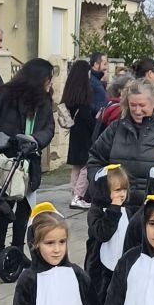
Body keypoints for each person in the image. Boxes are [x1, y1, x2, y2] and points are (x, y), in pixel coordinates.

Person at [0, 58, 57, 255]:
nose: (50, 83)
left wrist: (34, 140)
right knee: (5, 206)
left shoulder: (44, 101)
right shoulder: (6, 94)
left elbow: (49, 128)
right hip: (7, 160)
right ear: (39, 78)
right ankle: (0, 248)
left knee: (25, 208)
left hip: (30, 160)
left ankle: (17, 250)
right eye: (48, 78)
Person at [87, 80, 154, 193]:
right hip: (119, 203)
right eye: (133, 105)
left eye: (142, 105)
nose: (137, 111)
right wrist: (100, 187)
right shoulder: (115, 129)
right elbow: (95, 159)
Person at [84, 163, 132, 305]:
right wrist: (113, 210)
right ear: (105, 191)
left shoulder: (126, 210)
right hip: (101, 265)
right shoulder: (96, 210)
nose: (122, 194)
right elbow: (102, 233)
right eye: (117, 190)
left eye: (124, 189)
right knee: (100, 298)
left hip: (120, 263)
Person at [62, 59, 99, 208]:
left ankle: (74, 195)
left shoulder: (71, 92)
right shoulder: (84, 97)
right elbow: (87, 119)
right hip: (84, 135)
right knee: (86, 165)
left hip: (75, 133)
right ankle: (78, 196)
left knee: (77, 166)